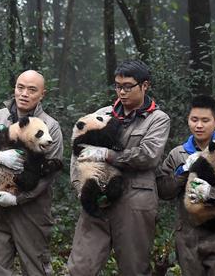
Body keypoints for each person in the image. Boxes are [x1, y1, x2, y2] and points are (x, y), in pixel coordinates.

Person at [66, 59, 170, 275]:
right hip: (96, 195)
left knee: (134, 268)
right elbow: (78, 151)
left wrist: (109, 154)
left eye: (128, 86)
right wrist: (80, 187)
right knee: (80, 267)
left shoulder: (157, 119)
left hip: (135, 200)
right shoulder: (102, 113)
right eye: (118, 86)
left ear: (145, 86)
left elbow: (149, 156)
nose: (121, 92)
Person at [0, 69, 63, 276]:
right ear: (14, 88)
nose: (24, 93)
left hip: (31, 209)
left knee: (35, 266)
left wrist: (18, 199)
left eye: (32, 90)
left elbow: (48, 176)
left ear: (42, 94)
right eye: (20, 87)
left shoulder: (50, 127)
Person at [156, 94, 215, 275]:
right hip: (189, 235)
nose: (199, 125)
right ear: (188, 120)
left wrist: (210, 193)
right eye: (194, 119)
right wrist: (183, 172)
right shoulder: (178, 154)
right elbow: (163, 190)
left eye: (205, 120)